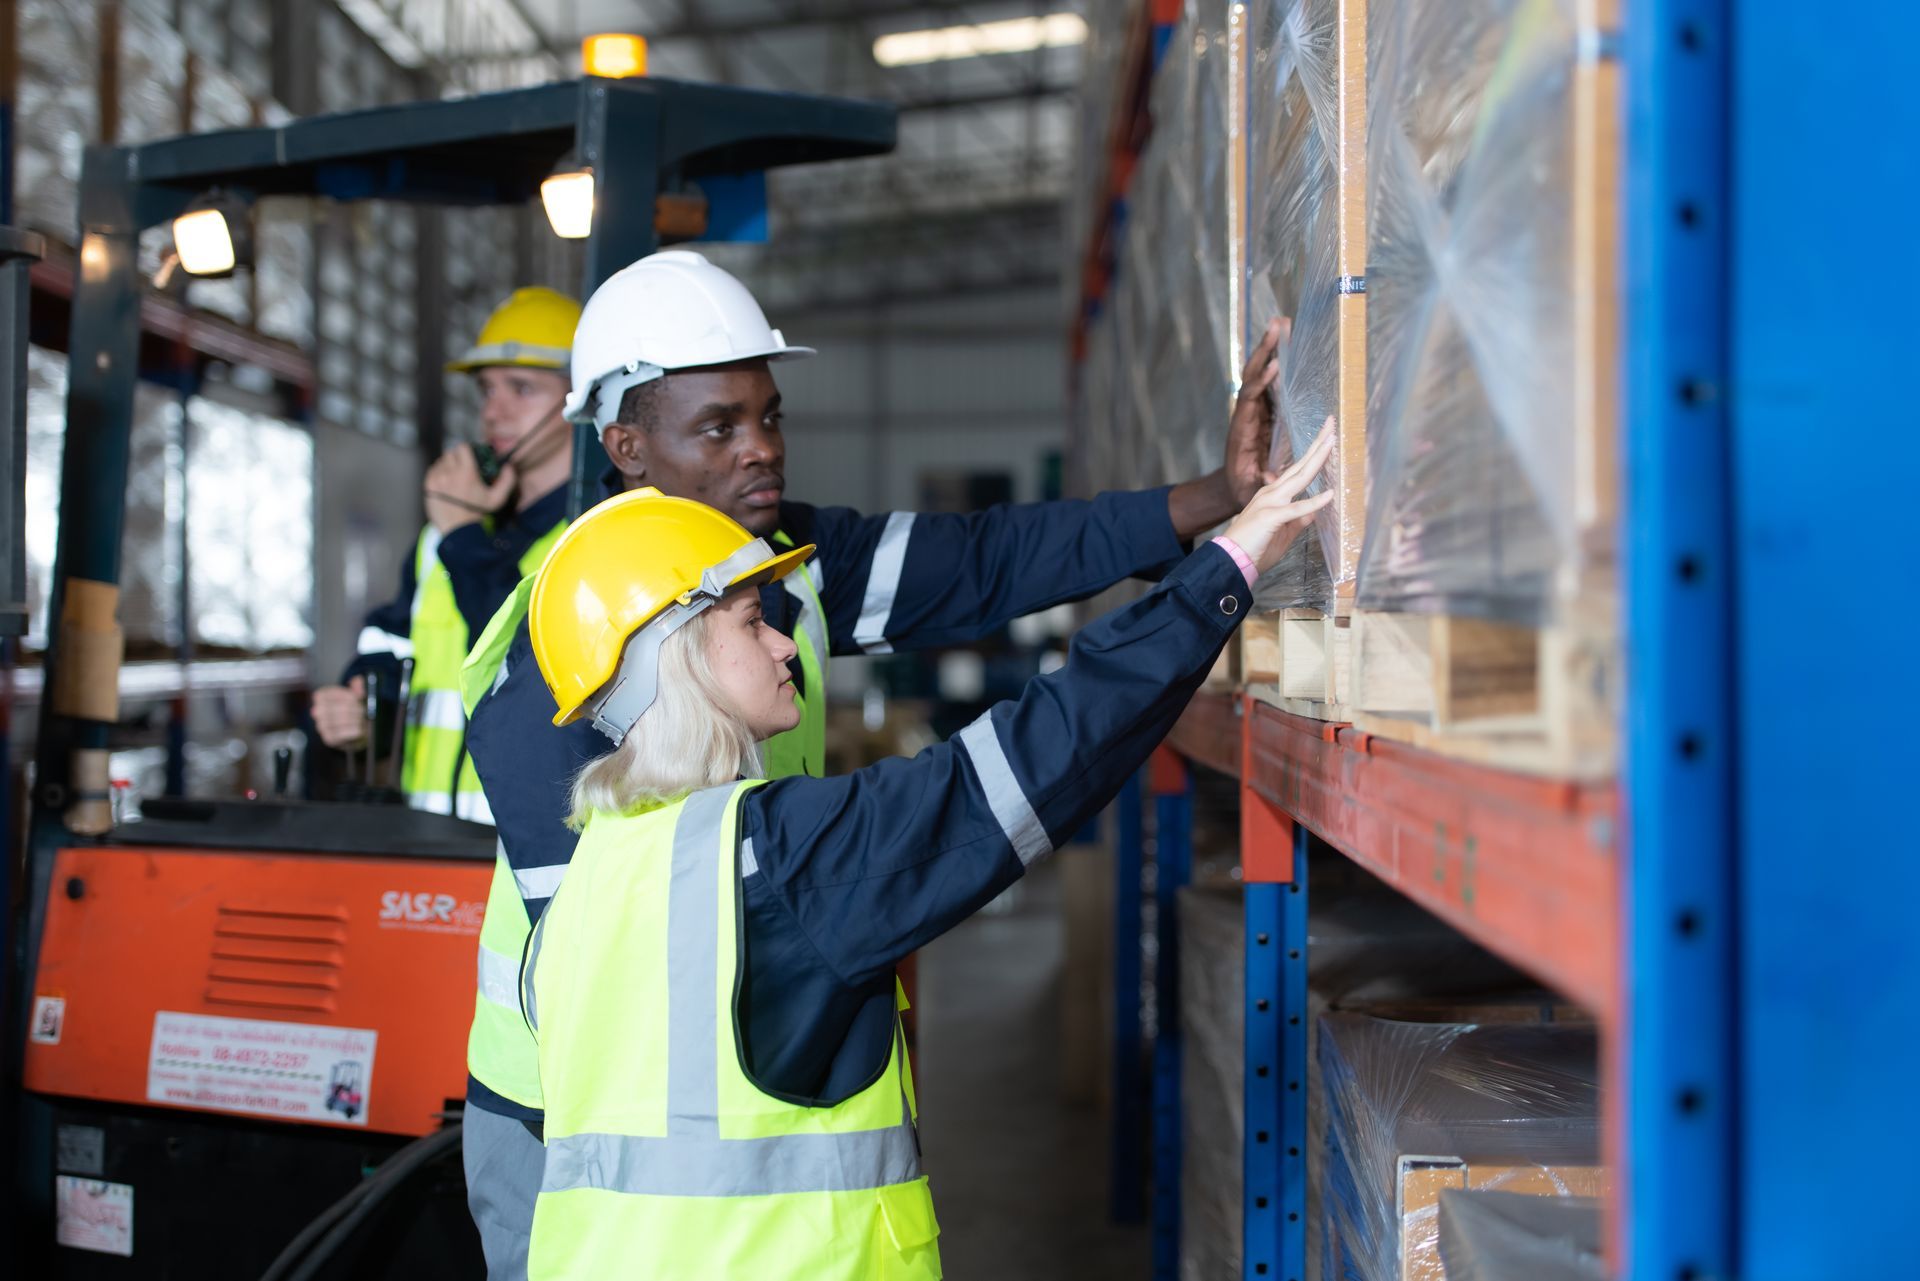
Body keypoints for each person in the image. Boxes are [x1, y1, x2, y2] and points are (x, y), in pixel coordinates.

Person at [456, 250, 1306, 1278]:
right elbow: (619, 960)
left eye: (770, 417)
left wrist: (1217, 499)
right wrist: (825, 938)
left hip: (750, 1045)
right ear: (626, 444)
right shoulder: (570, 636)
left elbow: (991, 557)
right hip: (566, 1106)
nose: (761, 451)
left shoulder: (780, 569)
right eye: (718, 427)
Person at [307, 287, 582, 820]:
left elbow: (534, 666)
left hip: (539, 854)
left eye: (521, 388)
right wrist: (363, 711)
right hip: (428, 842)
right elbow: (389, 646)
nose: (493, 411)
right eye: (486, 390)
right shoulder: (441, 540)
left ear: (580, 400)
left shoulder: (596, 534)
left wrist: (463, 537)